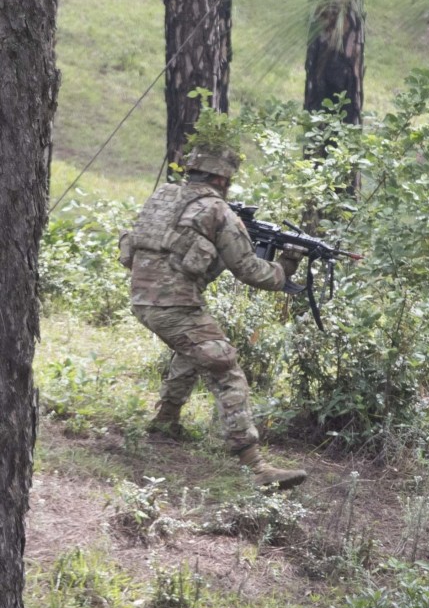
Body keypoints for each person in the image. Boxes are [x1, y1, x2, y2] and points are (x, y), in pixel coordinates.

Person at [118, 140, 307, 489]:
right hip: (175, 306)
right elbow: (250, 271)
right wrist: (285, 268)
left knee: (192, 352)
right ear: (223, 179)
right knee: (226, 368)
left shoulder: (163, 197)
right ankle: (256, 467)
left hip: (143, 300)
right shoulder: (218, 211)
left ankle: (165, 423)